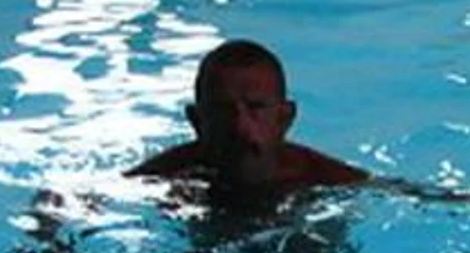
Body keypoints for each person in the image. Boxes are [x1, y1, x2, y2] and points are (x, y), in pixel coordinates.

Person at [125, 39, 368, 194]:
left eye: (256, 108)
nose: (240, 126)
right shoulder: (160, 177)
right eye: (222, 110)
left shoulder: (327, 178)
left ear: (284, 119)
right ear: (197, 121)